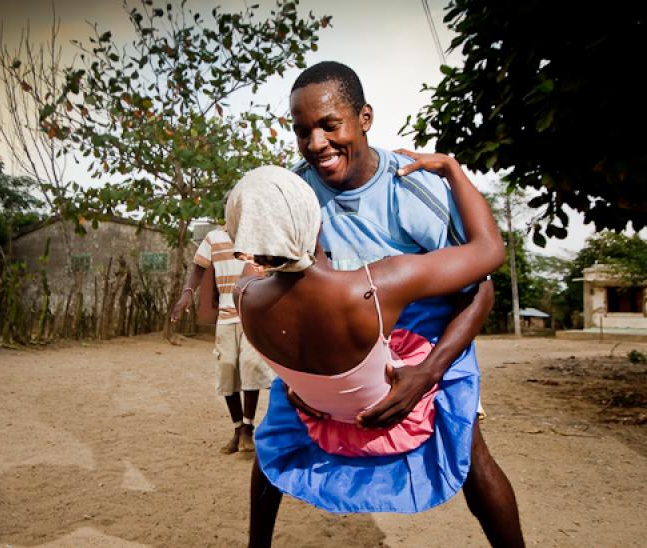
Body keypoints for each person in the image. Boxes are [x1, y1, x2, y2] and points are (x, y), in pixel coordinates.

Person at [244, 61, 525, 548]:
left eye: (329, 125)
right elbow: (277, 291)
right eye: (301, 131)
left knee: (470, 452)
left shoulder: (413, 189)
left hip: (425, 338)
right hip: (336, 340)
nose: (315, 145)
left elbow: (480, 286)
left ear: (364, 118)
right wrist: (297, 379)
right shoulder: (293, 194)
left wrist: (429, 371)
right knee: (276, 441)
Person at [171, 226, 274, 454]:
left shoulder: (258, 233)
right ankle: (237, 430)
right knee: (227, 369)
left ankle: (248, 429)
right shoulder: (214, 237)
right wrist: (188, 291)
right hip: (226, 317)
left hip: (251, 314)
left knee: (251, 366)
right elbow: (199, 267)